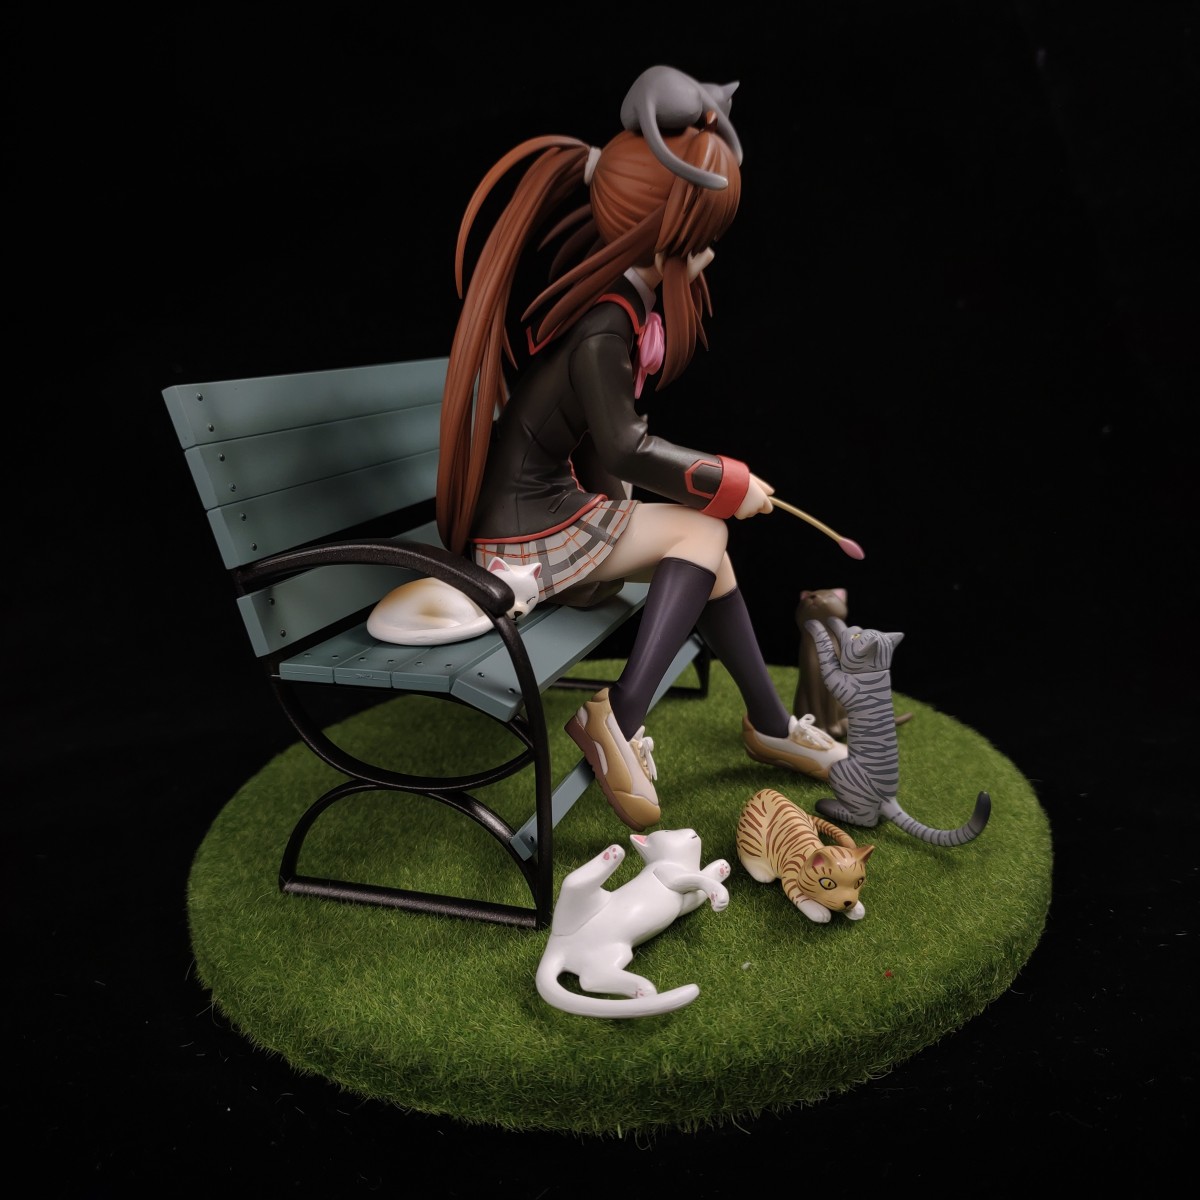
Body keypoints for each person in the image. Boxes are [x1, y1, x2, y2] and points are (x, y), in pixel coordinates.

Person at [435, 69, 846, 832]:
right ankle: (615, 720)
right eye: (703, 238)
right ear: (664, 234)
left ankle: (770, 726)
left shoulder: (625, 310)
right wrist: (728, 483)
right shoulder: (605, 328)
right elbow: (625, 447)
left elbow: (601, 449)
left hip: (552, 509)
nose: (711, 254)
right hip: (523, 538)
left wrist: (629, 508)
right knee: (705, 532)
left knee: (710, 556)